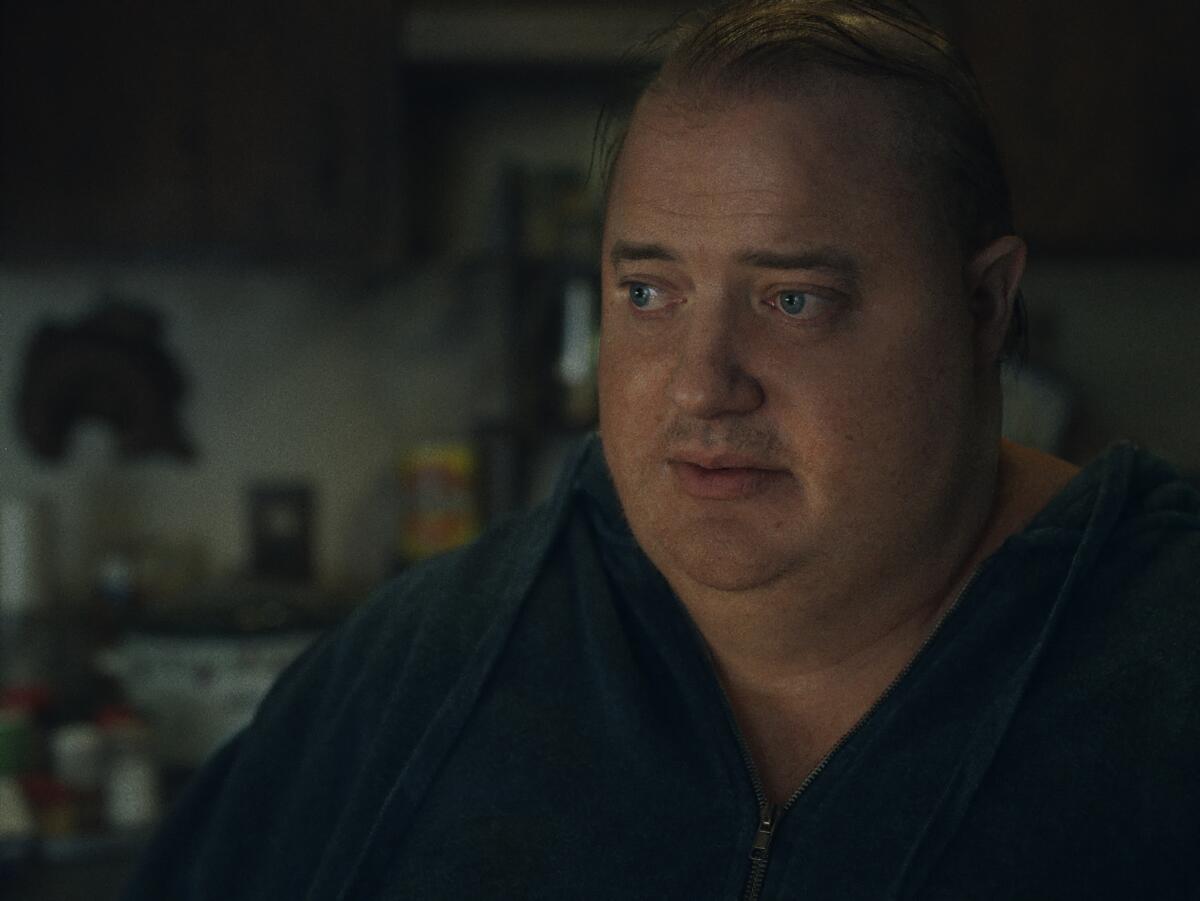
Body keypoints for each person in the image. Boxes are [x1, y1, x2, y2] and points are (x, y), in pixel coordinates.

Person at [124, 2, 1199, 898]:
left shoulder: (1161, 659)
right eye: (648, 293)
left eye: (793, 298)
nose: (699, 381)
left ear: (984, 305)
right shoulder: (422, 669)